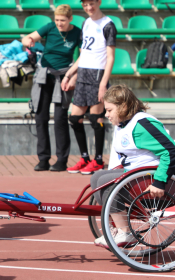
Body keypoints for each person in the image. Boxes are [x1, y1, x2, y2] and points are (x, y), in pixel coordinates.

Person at [91, 84, 175, 248]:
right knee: (97, 177)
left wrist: (159, 182)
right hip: (134, 176)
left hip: (149, 179)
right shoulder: (123, 125)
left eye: (109, 110)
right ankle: (114, 229)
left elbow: (171, 151)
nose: (106, 114)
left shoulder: (142, 125)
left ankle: (125, 231)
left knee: (107, 184)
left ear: (123, 107)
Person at [23, 5, 81, 172]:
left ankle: (61, 159)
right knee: (40, 117)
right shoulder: (50, 27)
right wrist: (29, 41)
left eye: (62, 20)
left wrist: (72, 76)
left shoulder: (77, 32)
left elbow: (83, 55)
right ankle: (43, 159)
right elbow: (28, 38)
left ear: (70, 19)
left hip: (64, 76)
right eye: (56, 20)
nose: (59, 24)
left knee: (60, 119)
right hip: (45, 75)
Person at [61, 0, 116, 175]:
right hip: (83, 73)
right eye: (85, 5)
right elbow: (84, 54)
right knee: (74, 119)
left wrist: (103, 83)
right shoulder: (85, 23)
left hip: (98, 74)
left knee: (95, 119)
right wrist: (69, 74)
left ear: (98, 2)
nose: (88, 8)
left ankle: (98, 160)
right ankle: (84, 157)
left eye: (92, 4)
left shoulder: (108, 25)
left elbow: (110, 57)